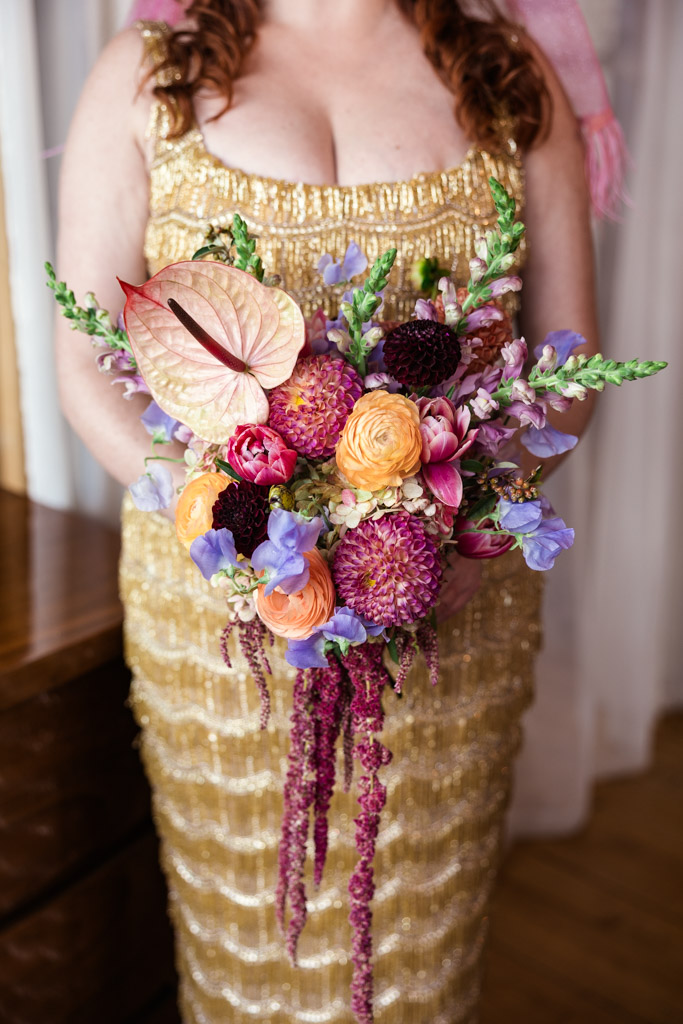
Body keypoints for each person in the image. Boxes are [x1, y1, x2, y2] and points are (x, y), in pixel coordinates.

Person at [55, 1, 598, 1020]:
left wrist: (465, 530)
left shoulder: (505, 72)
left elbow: (567, 365)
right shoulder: (144, 76)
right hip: (214, 617)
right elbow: (84, 365)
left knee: (417, 955)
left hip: (451, 607)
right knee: (239, 945)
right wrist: (226, 530)